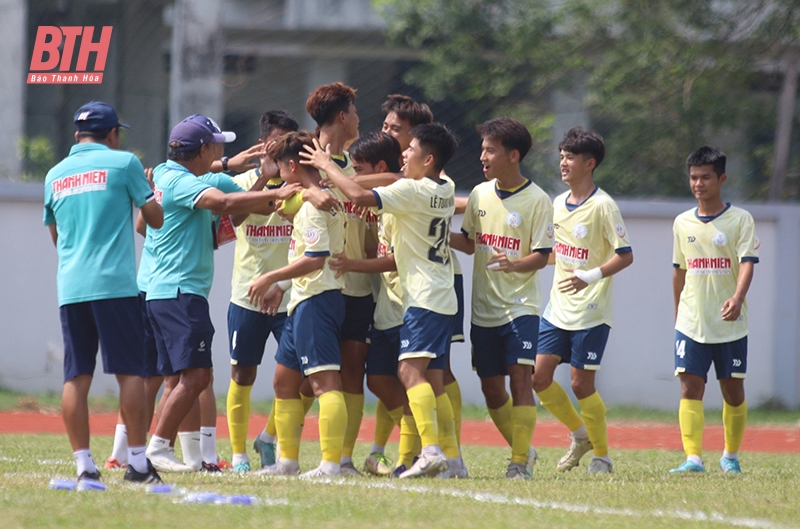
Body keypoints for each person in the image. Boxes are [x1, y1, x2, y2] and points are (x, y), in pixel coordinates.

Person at [300, 122, 460, 478]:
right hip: (439, 293)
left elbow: (359, 197)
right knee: (428, 379)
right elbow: (385, 181)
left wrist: (327, 166)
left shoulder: (412, 192)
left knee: (408, 372)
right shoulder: (445, 187)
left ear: (428, 158)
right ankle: (451, 459)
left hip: (421, 295)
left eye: (412, 149)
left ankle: (431, 451)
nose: (405, 153)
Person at [144, 115, 300, 472]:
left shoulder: (187, 176)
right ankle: (158, 447)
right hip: (179, 290)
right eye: (217, 144)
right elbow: (225, 204)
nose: (221, 148)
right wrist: (278, 190)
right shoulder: (178, 180)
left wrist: (263, 176)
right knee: (197, 376)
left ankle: (170, 451)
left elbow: (253, 207)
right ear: (204, 149)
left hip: (172, 291)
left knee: (182, 376)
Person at [43, 101, 164, 484]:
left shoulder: (54, 174)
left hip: (72, 286)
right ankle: (139, 463)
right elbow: (155, 220)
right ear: (112, 134)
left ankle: (84, 465)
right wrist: (152, 190)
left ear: (79, 135)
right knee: (130, 373)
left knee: (76, 376)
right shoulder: (124, 162)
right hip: (114, 285)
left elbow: (56, 236)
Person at [451, 118, 552, 479]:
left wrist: (515, 264)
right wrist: (434, 234)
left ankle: (519, 461)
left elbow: (542, 255)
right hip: (483, 310)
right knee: (492, 389)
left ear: (513, 155)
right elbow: (468, 241)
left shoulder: (538, 200)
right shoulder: (479, 194)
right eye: (482, 149)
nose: (483, 156)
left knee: (519, 380)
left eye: (490, 150)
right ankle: (525, 448)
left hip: (520, 307)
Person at [531, 127, 633, 474]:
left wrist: (590, 276)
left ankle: (602, 456)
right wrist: (519, 262)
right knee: (539, 378)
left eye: (570, 157)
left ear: (589, 163)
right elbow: (558, 255)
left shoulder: (604, 206)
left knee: (580, 383)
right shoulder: (558, 203)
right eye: (561, 155)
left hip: (591, 311)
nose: (563, 162)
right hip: (557, 309)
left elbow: (625, 255)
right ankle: (580, 435)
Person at [248, 131, 348, 478]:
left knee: (324, 383)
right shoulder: (318, 195)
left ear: (293, 165)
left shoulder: (312, 205)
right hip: (303, 298)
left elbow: (315, 259)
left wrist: (269, 278)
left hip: (318, 299)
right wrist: (285, 285)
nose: (277, 175)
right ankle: (287, 462)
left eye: (280, 167)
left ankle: (331, 464)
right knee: (284, 382)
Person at [670, 146, 758, 474]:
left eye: (706, 177)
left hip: (729, 323)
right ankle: (693, 458)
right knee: (689, 385)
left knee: (732, 389)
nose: (698, 183)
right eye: (693, 177)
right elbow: (679, 270)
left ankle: (730, 456)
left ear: (721, 179)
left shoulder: (740, 220)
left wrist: (737, 297)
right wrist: (678, 312)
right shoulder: (681, 223)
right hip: (692, 321)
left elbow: (747, 263)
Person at [324, 131, 407, 476]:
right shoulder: (327, 177)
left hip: (362, 294)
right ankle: (276, 444)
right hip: (324, 291)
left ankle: (345, 459)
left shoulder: (384, 193)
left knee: (358, 375)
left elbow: (393, 179)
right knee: (308, 377)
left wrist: (340, 176)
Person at [224, 110, 301, 473]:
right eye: (279, 142)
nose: (285, 151)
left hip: (291, 295)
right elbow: (234, 218)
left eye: (291, 143)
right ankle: (239, 455)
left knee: (299, 375)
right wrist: (265, 181)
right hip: (248, 293)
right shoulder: (241, 182)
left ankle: (269, 436)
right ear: (264, 143)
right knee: (243, 375)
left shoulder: (302, 184)